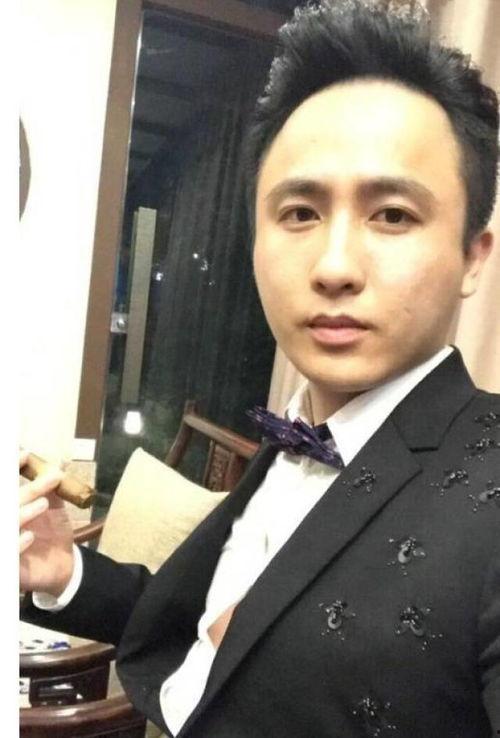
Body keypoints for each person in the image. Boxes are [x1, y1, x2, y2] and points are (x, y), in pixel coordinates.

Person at [20, 1, 499, 736]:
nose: (334, 266)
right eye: (300, 212)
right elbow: (208, 626)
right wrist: (63, 571)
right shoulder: (294, 439)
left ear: (472, 255)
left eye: (393, 215)